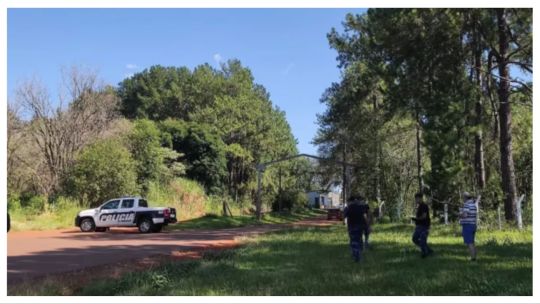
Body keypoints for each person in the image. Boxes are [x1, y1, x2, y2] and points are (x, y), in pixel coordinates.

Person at [343, 194, 370, 262]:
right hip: (360, 226)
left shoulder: (348, 208)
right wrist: (367, 225)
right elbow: (365, 216)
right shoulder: (361, 207)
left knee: (354, 241)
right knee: (359, 239)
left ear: (349, 201)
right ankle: (358, 253)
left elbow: (344, 216)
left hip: (352, 226)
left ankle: (357, 255)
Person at [411, 192, 433, 258]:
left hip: (424, 226)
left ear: (420, 198)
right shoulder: (419, 206)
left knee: (422, 239)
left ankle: (424, 253)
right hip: (419, 226)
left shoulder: (424, 206)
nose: (416, 200)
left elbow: (424, 216)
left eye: (417, 199)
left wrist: (415, 219)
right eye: (415, 199)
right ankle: (428, 250)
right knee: (415, 239)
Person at [459, 192, 478, 261]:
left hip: (468, 225)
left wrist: (459, 214)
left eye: (462, 197)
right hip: (473, 225)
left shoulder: (467, 204)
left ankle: (473, 258)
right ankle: (474, 256)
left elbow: (465, 215)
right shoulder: (473, 205)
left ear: (465, 197)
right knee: (472, 242)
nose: (462, 199)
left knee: (469, 242)